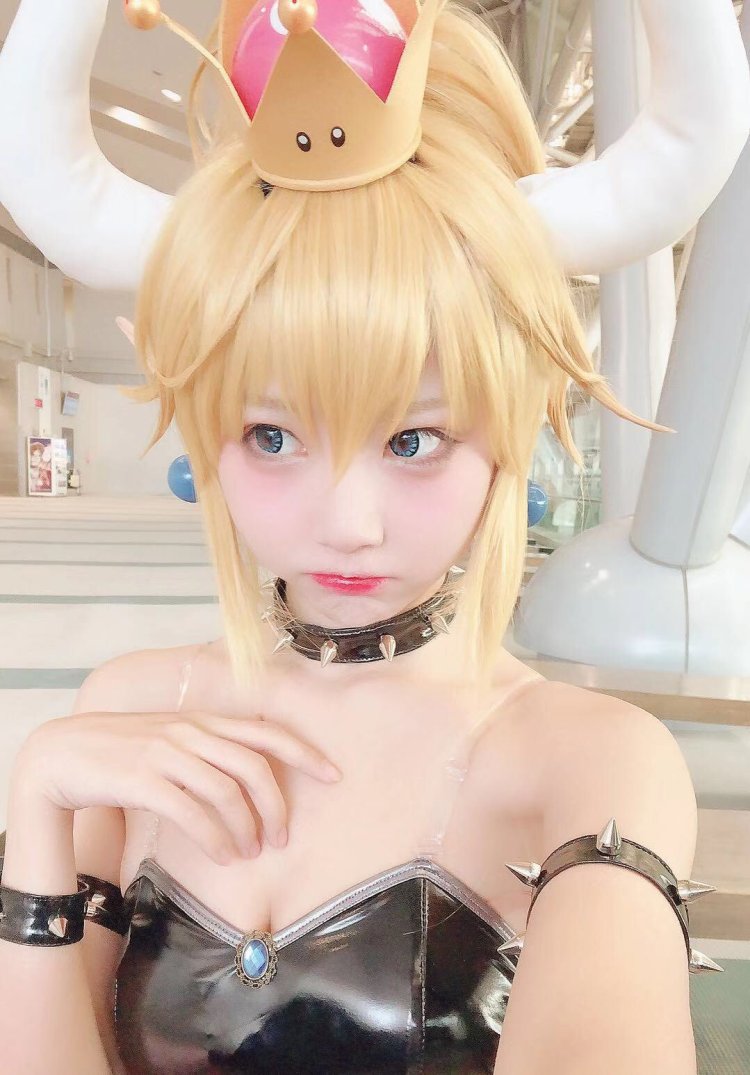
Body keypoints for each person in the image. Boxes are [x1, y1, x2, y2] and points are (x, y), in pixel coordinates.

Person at [0, 1, 747, 1072]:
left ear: (506, 430)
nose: (348, 524)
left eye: (412, 439)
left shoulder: (587, 759)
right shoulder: (123, 712)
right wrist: (36, 801)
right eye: (272, 436)